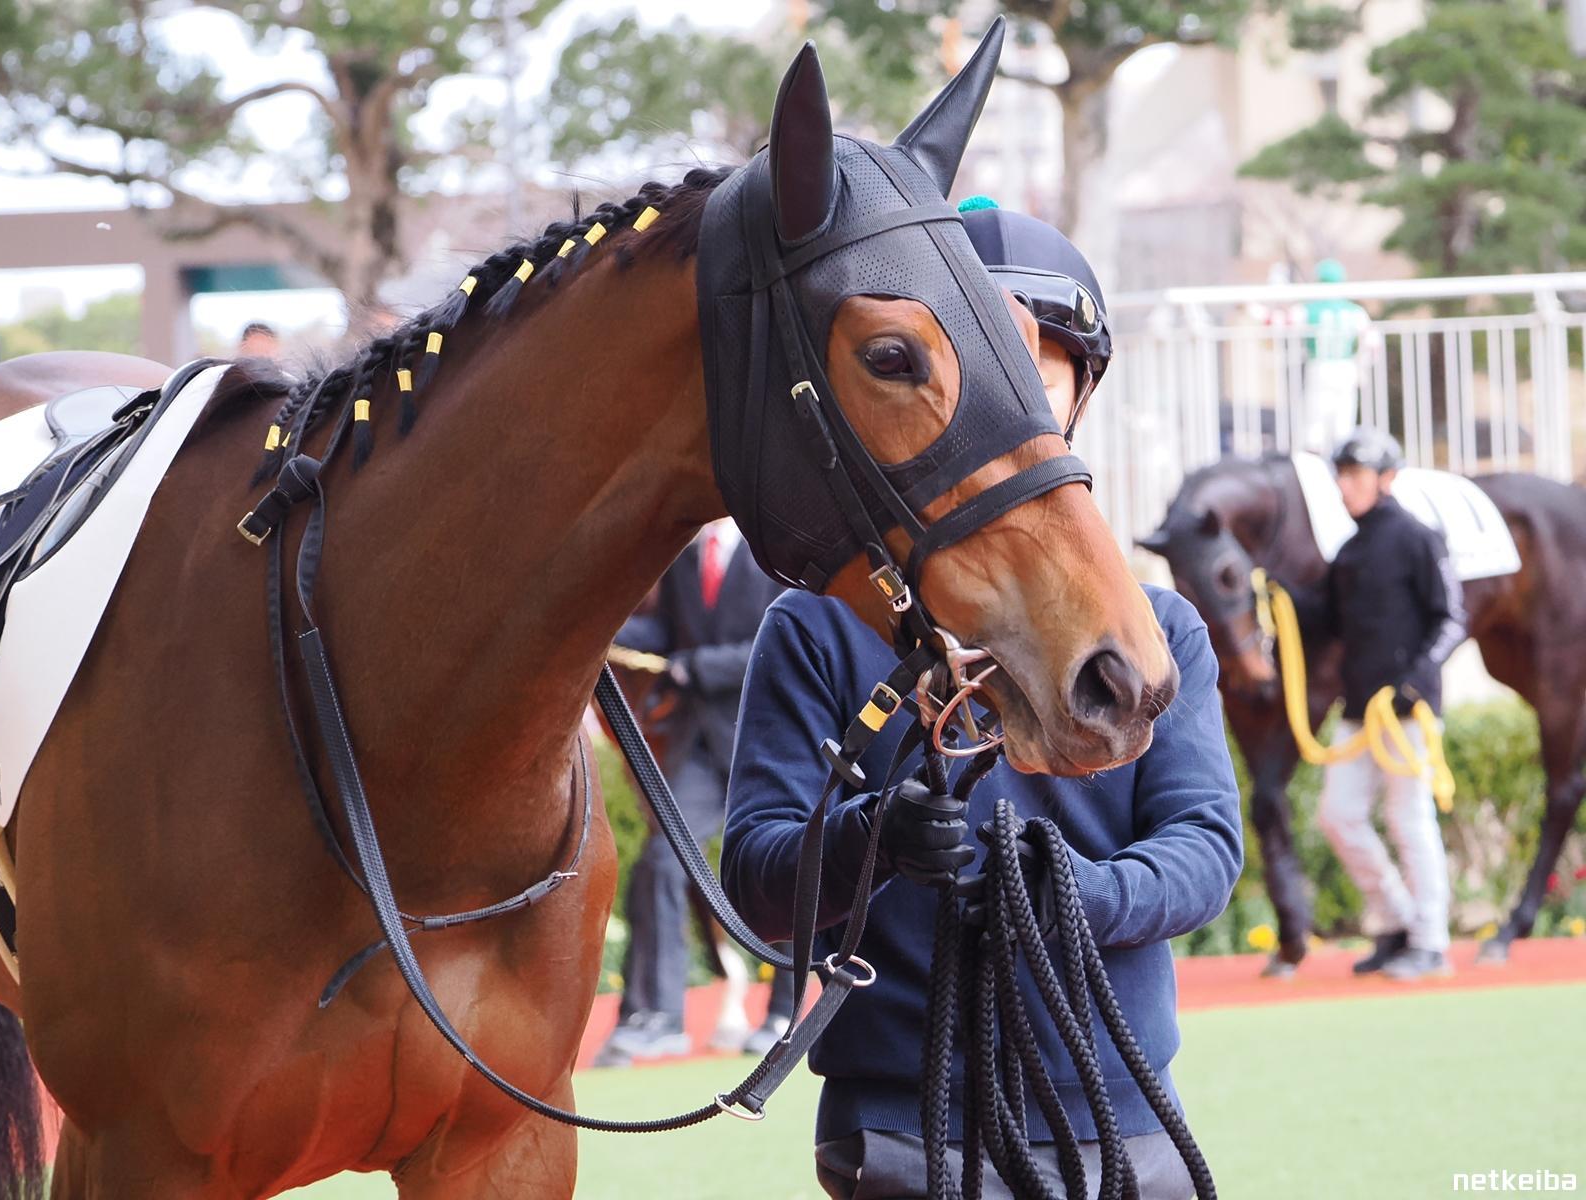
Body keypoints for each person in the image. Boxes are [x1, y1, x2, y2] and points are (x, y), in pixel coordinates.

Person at [721, 199, 1243, 1199]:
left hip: (1118, 1121)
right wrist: (877, 839)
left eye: (1033, 367)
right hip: (901, 1127)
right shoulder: (812, 627)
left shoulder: (1161, 628)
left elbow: (1204, 850)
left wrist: (1077, 895)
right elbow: (755, 879)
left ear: (1080, 388)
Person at [594, 518, 785, 1066]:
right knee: (661, 860)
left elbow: (777, 643)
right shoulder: (686, 556)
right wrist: (602, 632)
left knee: (785, 867)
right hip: (698, 743)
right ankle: (658, 1016)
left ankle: (785, 1014)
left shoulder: (772, 550)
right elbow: (668, 634)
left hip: (766, 739)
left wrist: (697, 668)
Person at [1303, 428, 1464, 981]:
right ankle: (1397, 920)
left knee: (1408, 818)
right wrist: (1276, 592)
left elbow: (1452, 619)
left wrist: (1415, 681)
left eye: (1355, 476)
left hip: (1408, 712)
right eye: (1341, 476)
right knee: (1337, 817)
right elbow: (1325, 620)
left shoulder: (1419, 537)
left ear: (1386, 479)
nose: (1345, 486)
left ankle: (1431, 942)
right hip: (1358, 711)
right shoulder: (1348, 552)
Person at [1299, 259, 1372, 454]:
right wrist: (1362, 368)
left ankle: (1314, 461)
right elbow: (1372, 342)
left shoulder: (1309, 310)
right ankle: (1342, 462)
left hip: (1320, 367)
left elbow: (1280, 321)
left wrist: (1252, 309)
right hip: (1347, 368)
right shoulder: (1355, 312)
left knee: (1315, 421)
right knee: (1344, 423)